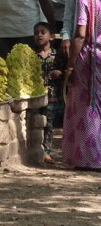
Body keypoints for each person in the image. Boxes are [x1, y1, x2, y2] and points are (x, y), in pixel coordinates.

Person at [62, 0, 101, 170]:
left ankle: (89, 157)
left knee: (87, 106)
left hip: (89, 60)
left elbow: (80, 35)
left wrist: (70, 64)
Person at [33, 21, 64, 164]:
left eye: (42, 32)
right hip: (36, 95)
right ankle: (34, 149)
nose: (39, 35)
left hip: (51, 96)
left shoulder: (57, 56)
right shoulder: (32, 55)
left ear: (51, 37)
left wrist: (60, 73)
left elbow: (66, 74)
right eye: (36, 33)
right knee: (35, 121)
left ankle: (46, 151)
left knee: (49, 124)